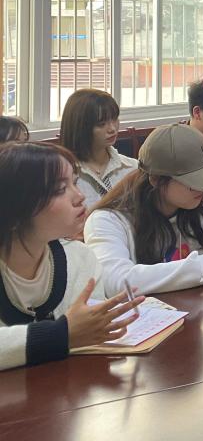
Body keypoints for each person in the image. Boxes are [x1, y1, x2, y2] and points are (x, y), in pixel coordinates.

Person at [1, 143, 144, 370]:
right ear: (14, 210)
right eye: (59, 190)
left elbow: (88, 343)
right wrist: (62, 333)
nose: (79, 197)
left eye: (74, 183)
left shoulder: (80, 259)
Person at [84, 125, 203, 296]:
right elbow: (117, 283)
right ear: (155, 179)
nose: (202, 188)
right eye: (192, 181)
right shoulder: (107, 220)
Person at [59, 89, 138, 209]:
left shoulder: (132, 168)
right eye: (101, 124)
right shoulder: (63, 176)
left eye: (115, 119)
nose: (112, 129)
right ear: (81, 127)